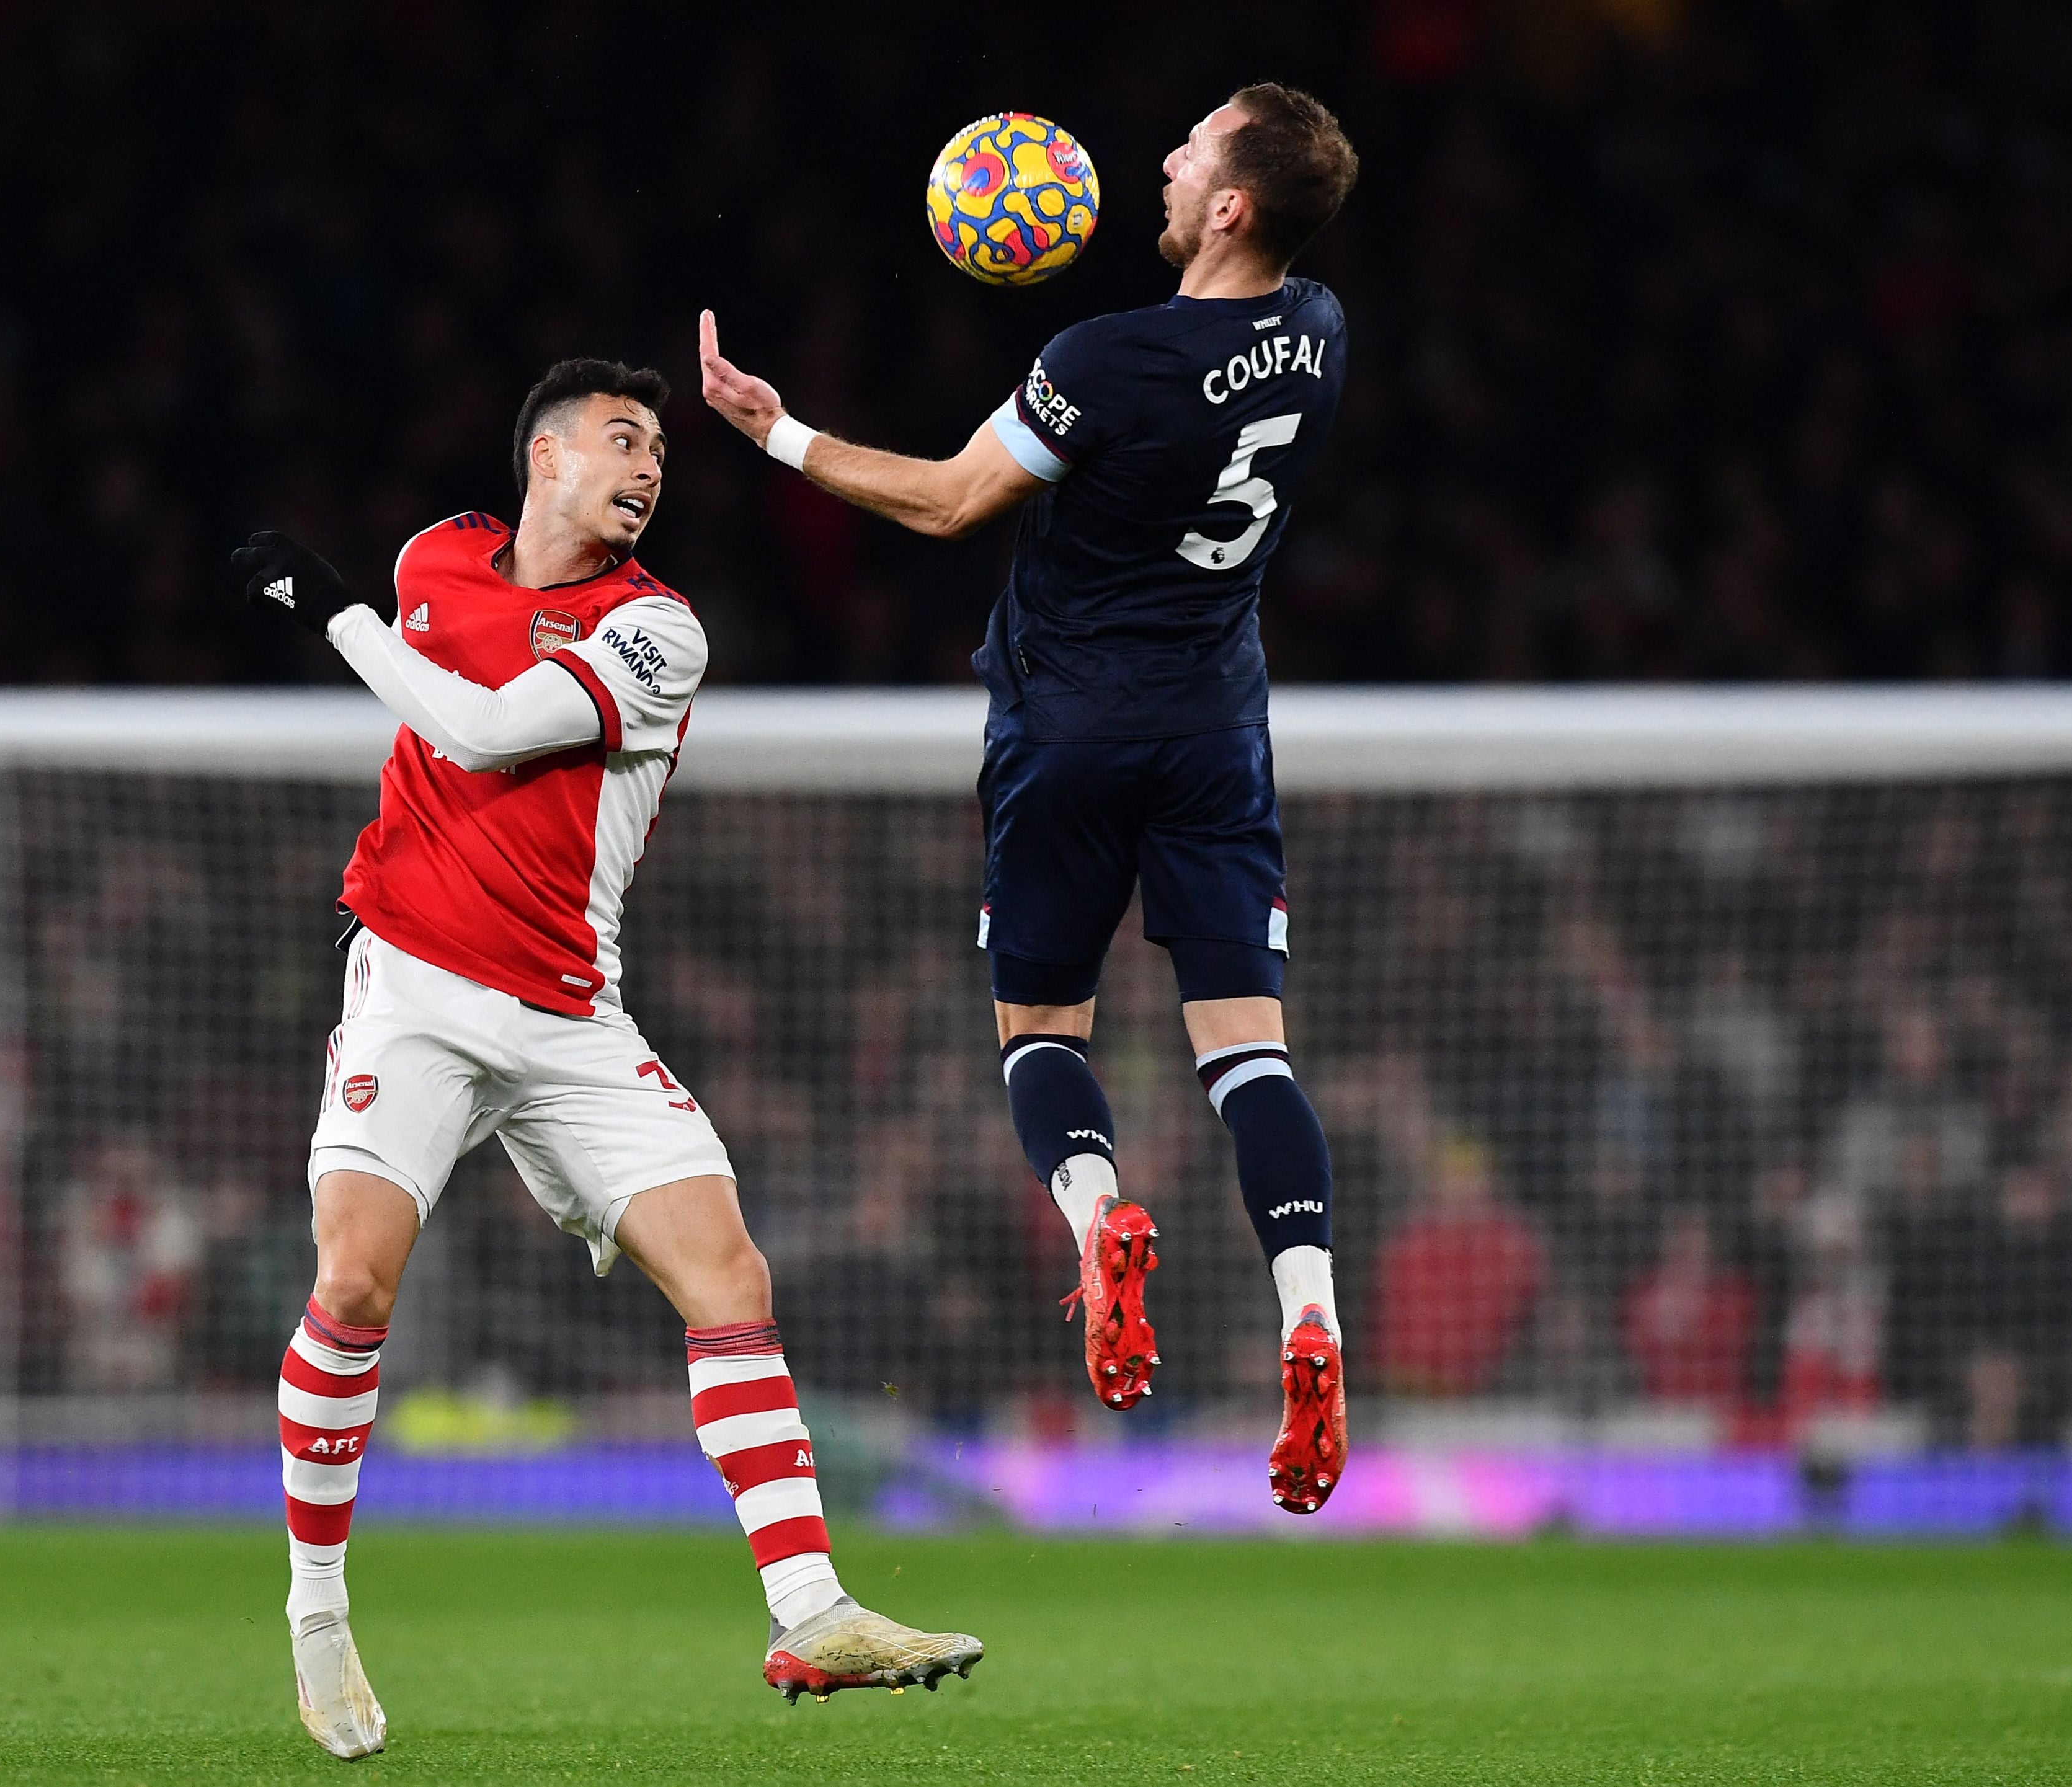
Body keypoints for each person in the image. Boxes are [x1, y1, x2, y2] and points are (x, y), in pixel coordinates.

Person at [231, 359, 982, 1761]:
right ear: (547, 458)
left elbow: (482, 727)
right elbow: (432, 715)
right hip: (415, 984)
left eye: (661, 455)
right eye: (625, 441)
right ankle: (318, 1608)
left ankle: (809, 1608)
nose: (650, 469)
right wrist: (366, 603)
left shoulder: (656, 631)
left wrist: (324, 606)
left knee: (728, 1272)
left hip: (573, 1014)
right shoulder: (432, 562)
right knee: (352, 1277)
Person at [698, 85, 1360, 1514]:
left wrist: (776, 433)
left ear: (1233, 205)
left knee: (1042, 1028)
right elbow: (1233, 341)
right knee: (1250, 1054)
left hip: (1068, 726)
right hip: (1215, 733)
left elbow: (947, 501)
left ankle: (1094, 1215)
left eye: (1193, 148)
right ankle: (1310, 1310)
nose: (1166, 160)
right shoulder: (1320, 333)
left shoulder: (1104, 359)